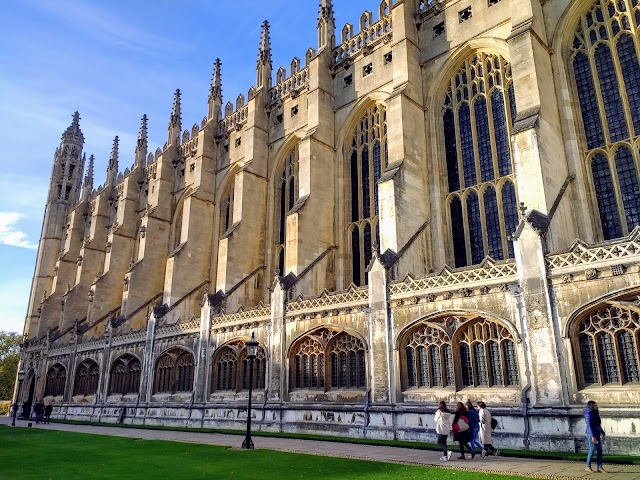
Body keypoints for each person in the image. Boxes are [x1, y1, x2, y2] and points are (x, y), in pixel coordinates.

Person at [584, 400, 607, 473]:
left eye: (596, 405)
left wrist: (603, 433)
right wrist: (593, 436)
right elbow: (590, 426)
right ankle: (588, 466)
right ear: (591, 406)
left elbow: (598, 425)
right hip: (591, 434)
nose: (596, 407)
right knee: (592, 450)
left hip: (597, 433)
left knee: (599, 451)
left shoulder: (595, 413)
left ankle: (600, 467)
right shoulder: (588, 414)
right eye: (595, 406)